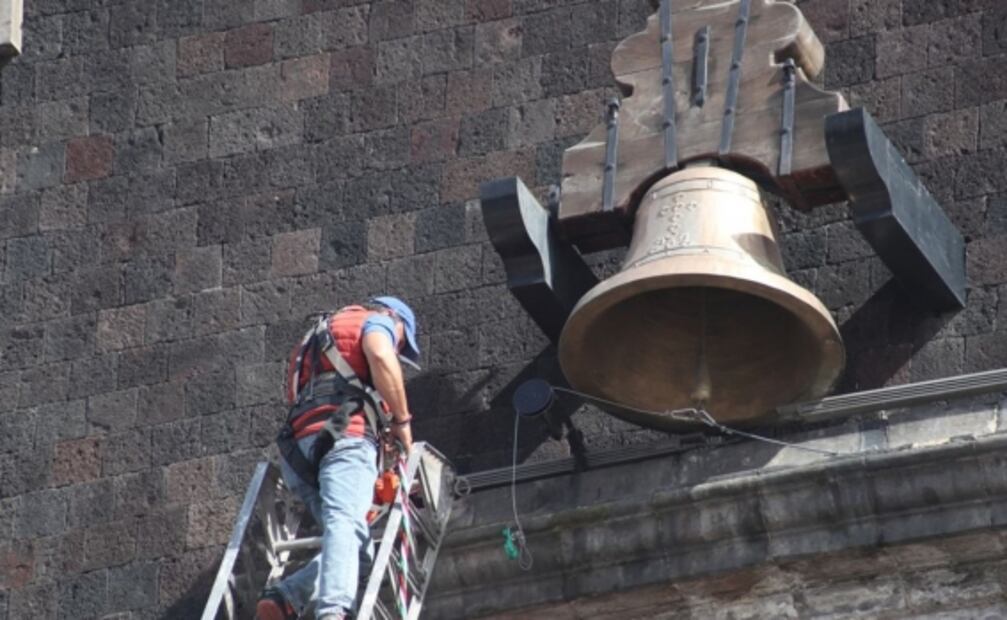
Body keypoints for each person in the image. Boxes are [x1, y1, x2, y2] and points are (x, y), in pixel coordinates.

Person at [256, 296, 420, 620]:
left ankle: (285, 598)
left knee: (356, 549)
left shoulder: (310, 342)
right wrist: (401, 422)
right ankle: (334, 611)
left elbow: (308, 397)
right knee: (345, 522)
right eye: (402, 343)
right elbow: (380, 355)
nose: (398, 349)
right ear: (394, 317)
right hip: (345, 439)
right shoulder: (377, 322)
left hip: (298, 455)